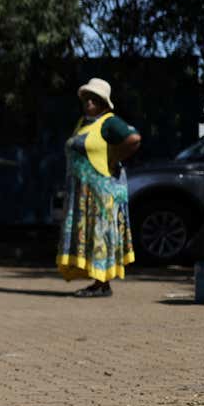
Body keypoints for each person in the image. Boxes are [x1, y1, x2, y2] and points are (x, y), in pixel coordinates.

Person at [57, 78, 142, 298]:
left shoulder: (109, 122)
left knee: (100, 234)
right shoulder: (83, 123)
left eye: (95, 99)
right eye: (87, 99)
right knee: (89, 234)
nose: (89, 103)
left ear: (104, 103)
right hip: (83, 193)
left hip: (101, 192)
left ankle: (102, 284)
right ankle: (98, 282)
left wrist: (115, 158)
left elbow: (133, 138)